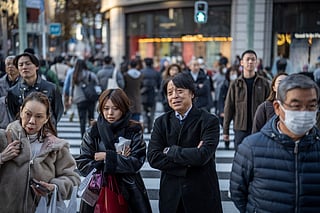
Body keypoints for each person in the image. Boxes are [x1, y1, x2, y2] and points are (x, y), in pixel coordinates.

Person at [230, 74, 320, 212]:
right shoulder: (251, 148)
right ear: (278, 107)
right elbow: (238, 193)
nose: (304, 112)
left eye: (311, 106)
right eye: (296, 106)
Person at [147, 72, 222, 213]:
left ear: (192, 93)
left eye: (179, 91)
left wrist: (170, 151)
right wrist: (191, 160)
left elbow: (203, 155)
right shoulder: (161, 122)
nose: (174, 96)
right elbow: (153, 157)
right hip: (171, 195)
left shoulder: (209, 121)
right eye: (170, 92)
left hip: (201, 194)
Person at [0, 92, 80, 212]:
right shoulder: (3, 138)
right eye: (28, 114)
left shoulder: (55, 147)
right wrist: (1, 157)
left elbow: (73, 179)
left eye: (39, 116)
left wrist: (54, 187)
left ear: (46, 118)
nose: (32, 121)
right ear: (21, 111)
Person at [76, 88, 152, 213]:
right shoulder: (93, 132)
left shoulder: (133, 130)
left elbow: (136, 162)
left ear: (123, 108)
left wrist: (106, 157)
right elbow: (83, 164)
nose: (110, 113)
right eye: (106, 108)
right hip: (96, 190)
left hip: (128, 189)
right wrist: (117, 158)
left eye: (115, 108)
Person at [223, 49, 270, 150]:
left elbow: (269, 107)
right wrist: (225, 130)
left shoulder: (264, 83)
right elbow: (229, 107)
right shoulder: (235, 84)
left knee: (258, 155)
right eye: (247, 59)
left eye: (253, 59)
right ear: (242, 62)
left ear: (256, 62)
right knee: (240, 155)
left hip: (259, 127)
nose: (250, 62)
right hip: (240, 128)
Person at [7, 52, 64, 127]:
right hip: (23, 134)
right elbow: (13, 115)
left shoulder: (51, 88)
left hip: (47, 133)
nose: (24, 67)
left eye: (28, 64)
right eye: (21, 65)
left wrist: (50, 126)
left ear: (36, 66)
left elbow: (58, 111)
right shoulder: (13, 91)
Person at [70, 59, 99, 138]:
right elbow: (97, 83)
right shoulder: (91, 74)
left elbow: (71, 87)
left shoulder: (74, 74)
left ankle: (83, 136)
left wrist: (71, 97)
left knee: (82, 119)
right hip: (90, 98)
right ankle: (91, 135)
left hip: (79, 99)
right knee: (91, 117)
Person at [217, 66, 240, 149]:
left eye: (235, 73)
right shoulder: (224, 85)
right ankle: (226, 141)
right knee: (224, 125)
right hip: (226, 108)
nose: (233, 75)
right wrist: (221, 110)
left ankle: (235, 140)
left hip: (237, 109)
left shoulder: (240, 84)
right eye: (231, 73)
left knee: (237, 127)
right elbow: (220, 99)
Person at [140, 57, 161, 133]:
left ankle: (145, 124)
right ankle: (150, 127)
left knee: (144, 111)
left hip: (143, 94)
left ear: (145, 63)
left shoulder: (141, 72)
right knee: (152, 112)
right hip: (153, 94)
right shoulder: (156, 72)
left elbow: (139, 84)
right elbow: (159, 85)